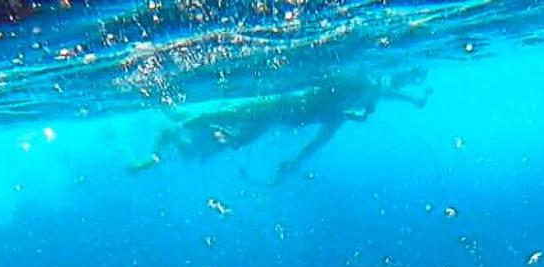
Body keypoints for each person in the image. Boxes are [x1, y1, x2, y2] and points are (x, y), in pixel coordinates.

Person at [130, 68, 430, 180]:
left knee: (224, 129)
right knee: (219, 125)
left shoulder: (339, 109)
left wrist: (292, 164)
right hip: (274, 110)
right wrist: (293, 163)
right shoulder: (342, 105)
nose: (371, 109)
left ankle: (165, 133)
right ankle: (166, 128)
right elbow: (313, 144)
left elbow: (313, 145)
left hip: (273, 110)